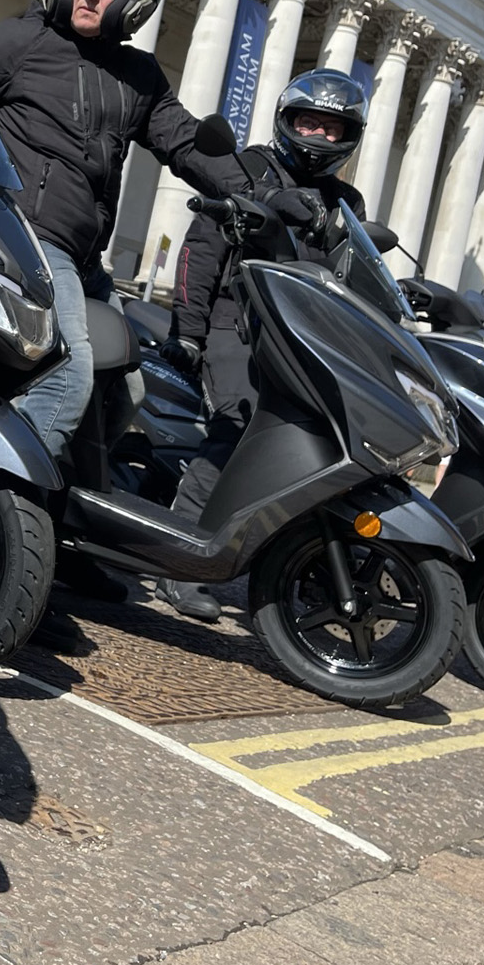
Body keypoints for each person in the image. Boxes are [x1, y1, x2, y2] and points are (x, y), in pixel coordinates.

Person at [0, 0, 245, 470]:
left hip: (87, 261)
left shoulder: (140, 77)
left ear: (136, 1)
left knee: (129, 391)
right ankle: (4, 502)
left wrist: (255, 187)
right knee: (68, 377)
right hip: (27, 239)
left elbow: (185, 142)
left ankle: (64, 502)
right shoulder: (22, 40)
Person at [153, 69, 369, 619]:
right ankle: (177, 560)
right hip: (237, 325)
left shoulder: (347, 203)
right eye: (308, 122)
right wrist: (189, 332)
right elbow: (199, 251)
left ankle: (301, 564)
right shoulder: (249, 168)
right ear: (287, 120)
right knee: (240, 424)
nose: (318, 136)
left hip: (304, 343)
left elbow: (356, 276)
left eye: (330, 127)